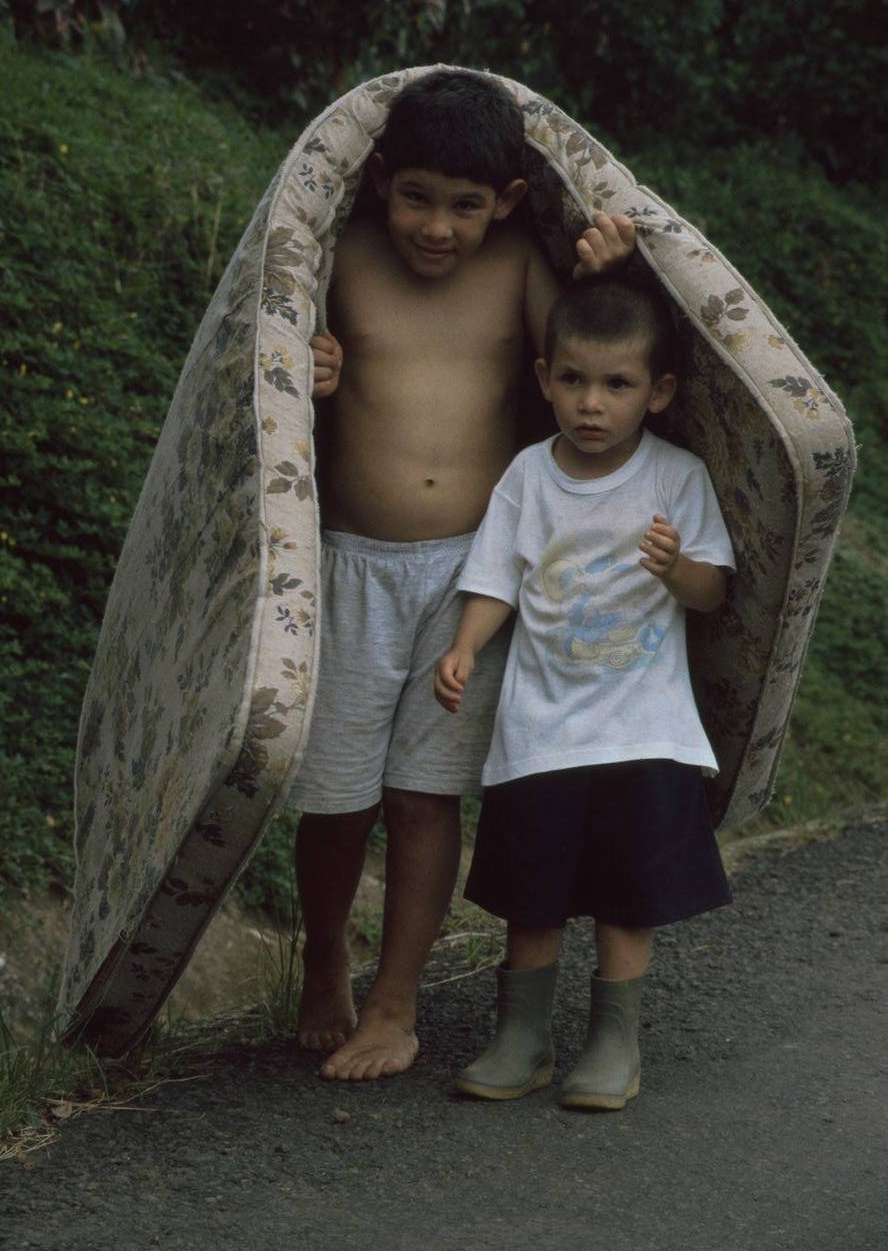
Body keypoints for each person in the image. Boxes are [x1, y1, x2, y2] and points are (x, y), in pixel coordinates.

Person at [288, 68, 637, 1082]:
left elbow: (591, 370)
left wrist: (615, 275)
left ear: (510, 203)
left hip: (474, 574)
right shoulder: (339, 260)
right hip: (349, 563)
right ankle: (324, 962)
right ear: (380, 182)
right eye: (418, 198)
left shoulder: (522, 268)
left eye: (466, 206)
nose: (438, 229)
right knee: (337, 800)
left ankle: (395, 1007)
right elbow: (267, 397)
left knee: (423, 798)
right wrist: (302, 373)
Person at [434, 277, 735, 1109]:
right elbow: (497, 574)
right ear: (544, 377)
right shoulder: (530, 475)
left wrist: (677, 568)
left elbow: (713, 590)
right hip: (541, 724)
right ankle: (521, 1035)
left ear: (659, 392)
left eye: (617, 384)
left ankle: (613, 1040)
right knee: (531, 890)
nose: (591, 404)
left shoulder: (676, 478)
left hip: (643, 726)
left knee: (625, 892)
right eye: (573, 380)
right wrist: (464, 647)